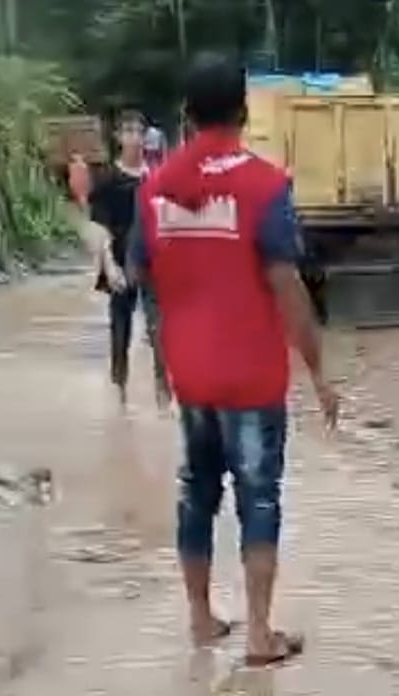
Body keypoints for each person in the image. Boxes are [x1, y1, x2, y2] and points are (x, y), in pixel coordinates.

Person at [127, 52, 339, 663]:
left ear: (187, 116)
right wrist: (319, 372)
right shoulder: (266, 186)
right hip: (250, 377)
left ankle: (200, 619)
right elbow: (288, 288)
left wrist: (160, 359)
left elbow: (144, 278)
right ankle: (257, 634)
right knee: (259, 497)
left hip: (190, 375)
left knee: (196, 492)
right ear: (244, 111)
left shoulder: (155, 189)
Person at [89, 109, 168, 406]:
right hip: (120, 260)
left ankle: (163, 390)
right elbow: (100, 227)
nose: (135, 137)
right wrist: (109, 266)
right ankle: (119, 391)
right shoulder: (108, 179)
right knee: (120, 328)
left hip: (154, 263)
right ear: (119, 137)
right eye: (129, 131)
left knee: (159, 326)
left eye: (139, 131)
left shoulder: (158, 177)